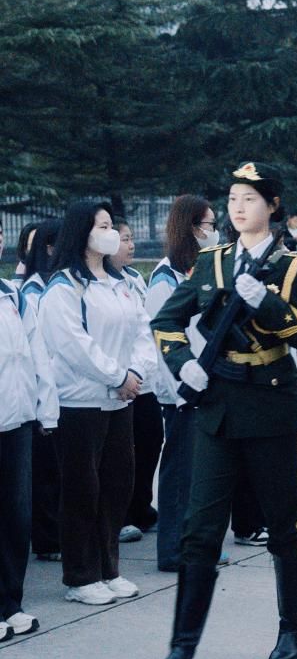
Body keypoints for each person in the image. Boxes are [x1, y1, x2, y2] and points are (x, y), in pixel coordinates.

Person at [139, 162, 297, 659]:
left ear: (272, 206)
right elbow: (166, 321)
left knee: (283, 523)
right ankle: (180, 653)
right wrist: (184, 367)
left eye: (249, 198)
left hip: (272, 405)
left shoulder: (294, 266)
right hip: (217, 403)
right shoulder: (211, 262)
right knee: (200, 530)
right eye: (233, 199)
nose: (238, 207)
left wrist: (268, 303)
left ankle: (292, 631)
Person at [42, 201, 156, 605]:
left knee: (116, 485)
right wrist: (117, 377)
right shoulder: (64, 286)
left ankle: (109, 569)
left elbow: (142, 330)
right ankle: (80, 576)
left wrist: (135, 373)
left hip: (120, 401)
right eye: (103, 227)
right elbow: (73, 344)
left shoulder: (120, 281)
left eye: (111, 226)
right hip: (80, 404)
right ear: (82, 232)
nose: (110, 234)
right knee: (81, 490)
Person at [145, 195, 216, 572]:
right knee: (179, 474)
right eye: (208, 225)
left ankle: (194, 544)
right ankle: (172, 551)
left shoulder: (198, 269)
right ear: (190, 226)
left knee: (199, 475)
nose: (214, 231)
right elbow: (161, 336)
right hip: (181, 391)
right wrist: (181, 390)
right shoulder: (165, 276)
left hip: (204, 384)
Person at [0, 225, 59, 639]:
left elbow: (37, 353)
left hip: (16, 421)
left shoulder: (12, 294)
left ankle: (11, 602)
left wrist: (45, 409)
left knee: (16, 516)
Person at [112, 219, 165, 542]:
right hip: (119, 382)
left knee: (150, 442)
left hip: (143, 381)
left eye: (131, 238)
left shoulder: (134, 278)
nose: (131, 245)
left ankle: (142, 507)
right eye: (124, 239)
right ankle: (121, 515)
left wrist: (143, 370)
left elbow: (145, 329)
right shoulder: (97, 283)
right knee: (121, 455)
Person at [21, 220, 63, 563]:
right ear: (48, 248)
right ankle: (47, 539)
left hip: (60, 389)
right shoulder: (33, 291)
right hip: (42, 391)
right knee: (45, 473)